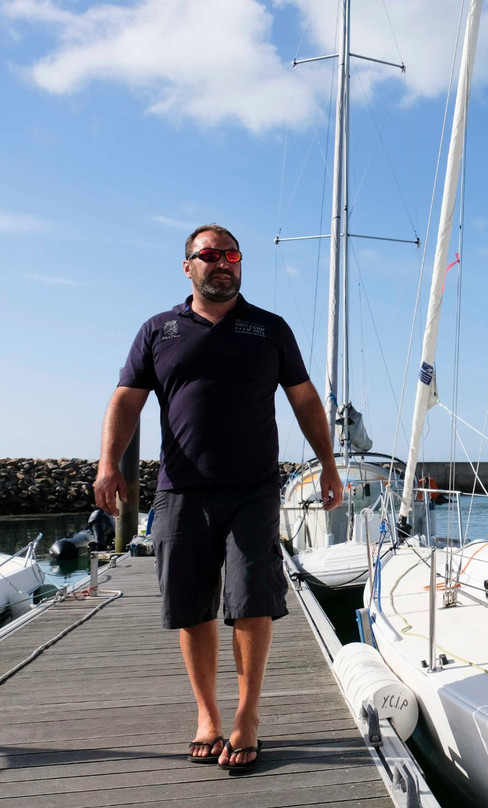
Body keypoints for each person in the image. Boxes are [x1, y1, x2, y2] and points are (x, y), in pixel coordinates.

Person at [93, 224, 343, 772]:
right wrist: (109, 463)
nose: (223, 263)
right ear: (188, 266)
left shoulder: (269, 328)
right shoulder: (158, 331)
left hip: (254, 488)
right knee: (191, 605)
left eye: (231, 254)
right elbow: (126, 400)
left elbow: (304, 400)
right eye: (209, 255)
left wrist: (328, 464)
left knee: (252, 600)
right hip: (180, 490)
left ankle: (247, 716)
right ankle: (207, 716)